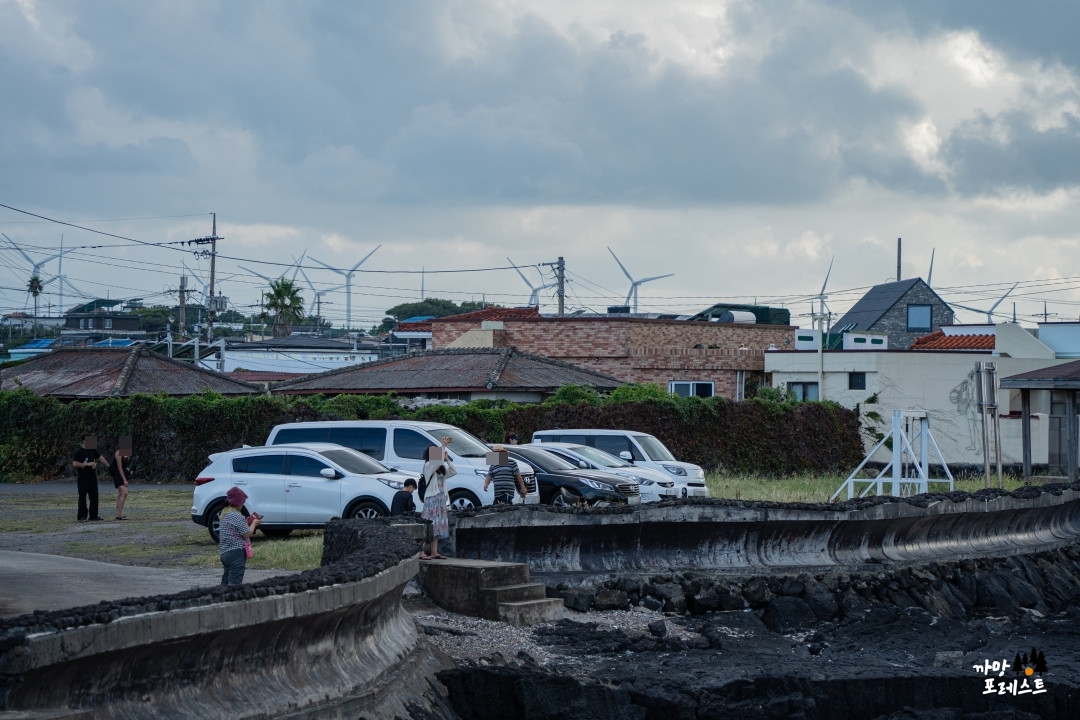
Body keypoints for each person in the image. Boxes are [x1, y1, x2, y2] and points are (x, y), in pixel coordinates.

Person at [420, 437, 455, 559]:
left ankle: (434, 552)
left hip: (440, 499)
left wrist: (447, 460)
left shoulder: (439, 467)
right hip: (431, 499)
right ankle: (421, 551)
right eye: (434, 451)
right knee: (429, 525)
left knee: (437, 526)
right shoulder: (428, 465)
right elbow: (437, 461)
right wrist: (442, 445)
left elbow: (454, 471)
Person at [219, 486, 261, 585]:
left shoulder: (225, 512)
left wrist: (246, 522)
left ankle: (221, 599)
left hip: (225, 553)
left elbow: (235, 526)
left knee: (225, 583)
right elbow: (247, 533)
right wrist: (254, 523)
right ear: (238, 503)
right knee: (234, 585)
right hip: (236, 553)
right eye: (242, 502)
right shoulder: (236, 515)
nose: (243, 505)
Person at [71, 436, 109, 522]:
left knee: (94, 495)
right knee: (82, 496)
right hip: (83, 476)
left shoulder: (93, 450)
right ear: (84, 441)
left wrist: (109, 466)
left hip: (92, 476)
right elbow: (75, 464)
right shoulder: (78, 452)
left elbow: (100, 458)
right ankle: (82, 516)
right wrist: (87, 464)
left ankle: (93, 515)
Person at [110, 445, 132, 520]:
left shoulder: (125, 454)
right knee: (124, 492)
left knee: (120, 494)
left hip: (122, 474)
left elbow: (124, 466)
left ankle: (119, 514)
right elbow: (119, 467)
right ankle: (119, 514)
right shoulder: (118, 453)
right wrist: (124, 479)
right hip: (117, 475)